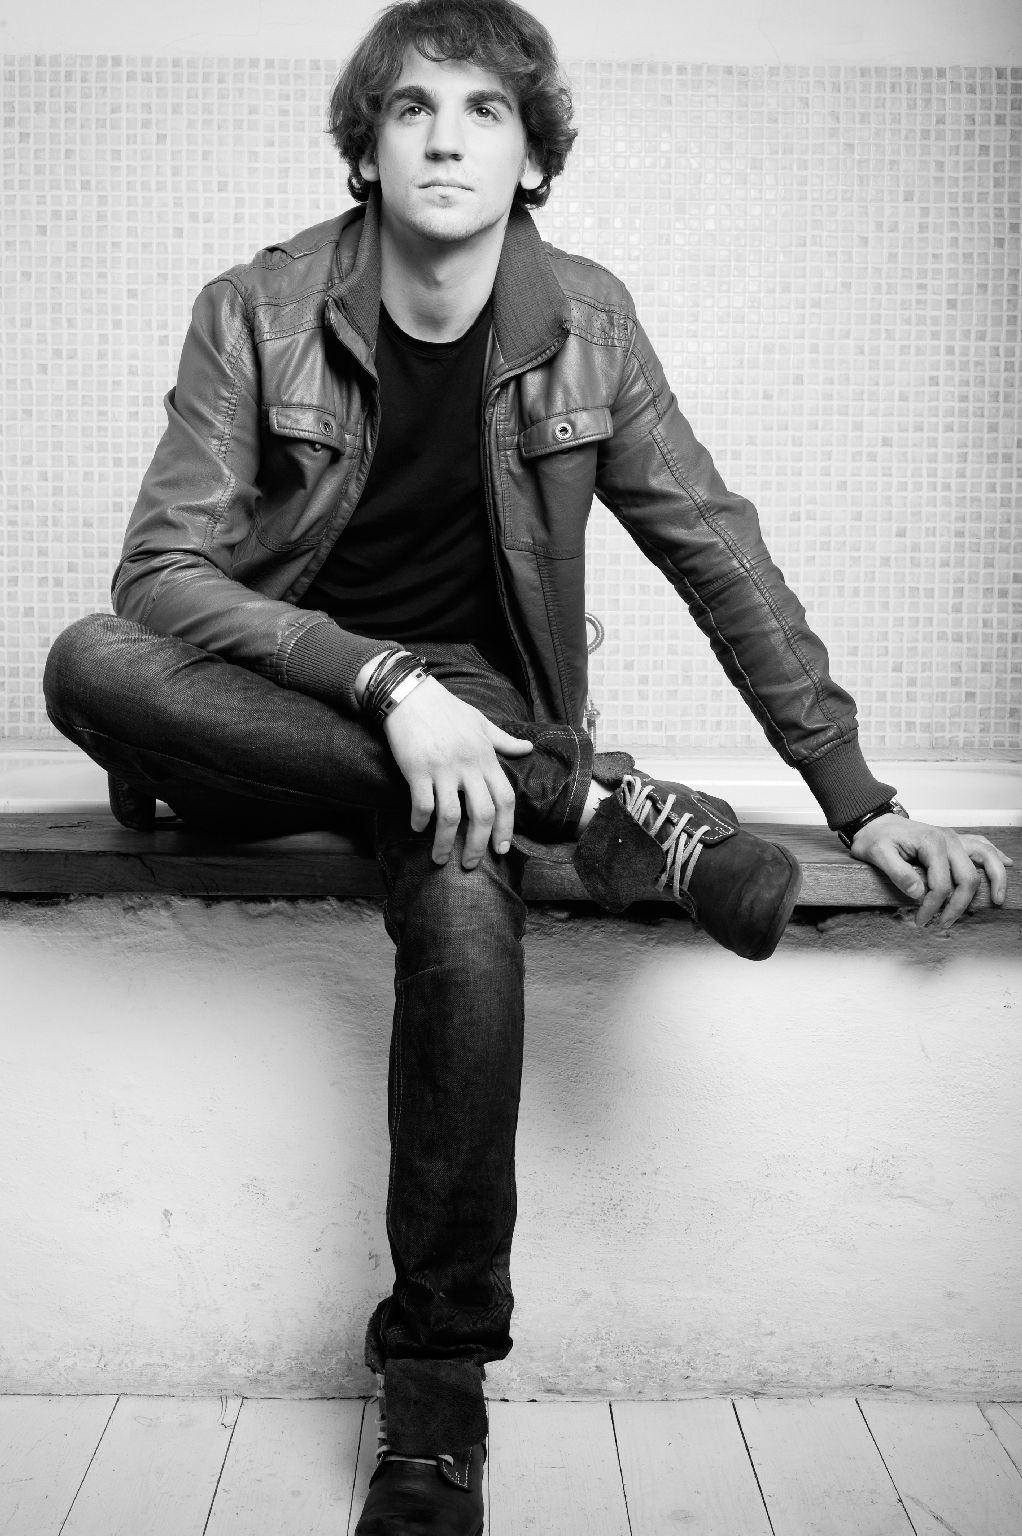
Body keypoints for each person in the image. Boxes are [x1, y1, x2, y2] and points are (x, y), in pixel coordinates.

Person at [43, 2, 1011, 1531]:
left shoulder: (589, 329)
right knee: (87, 658)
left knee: (462, 904)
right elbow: (162, 581)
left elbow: (713, 550)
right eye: (410, 108)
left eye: (483, 109)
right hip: (269, 705)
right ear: (366, 147)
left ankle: (434, 1397)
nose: (444, 137)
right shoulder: (257, 308)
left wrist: (859, 798)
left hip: (474, 734)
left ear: (530, 155)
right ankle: (586, 800)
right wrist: (389, 686)